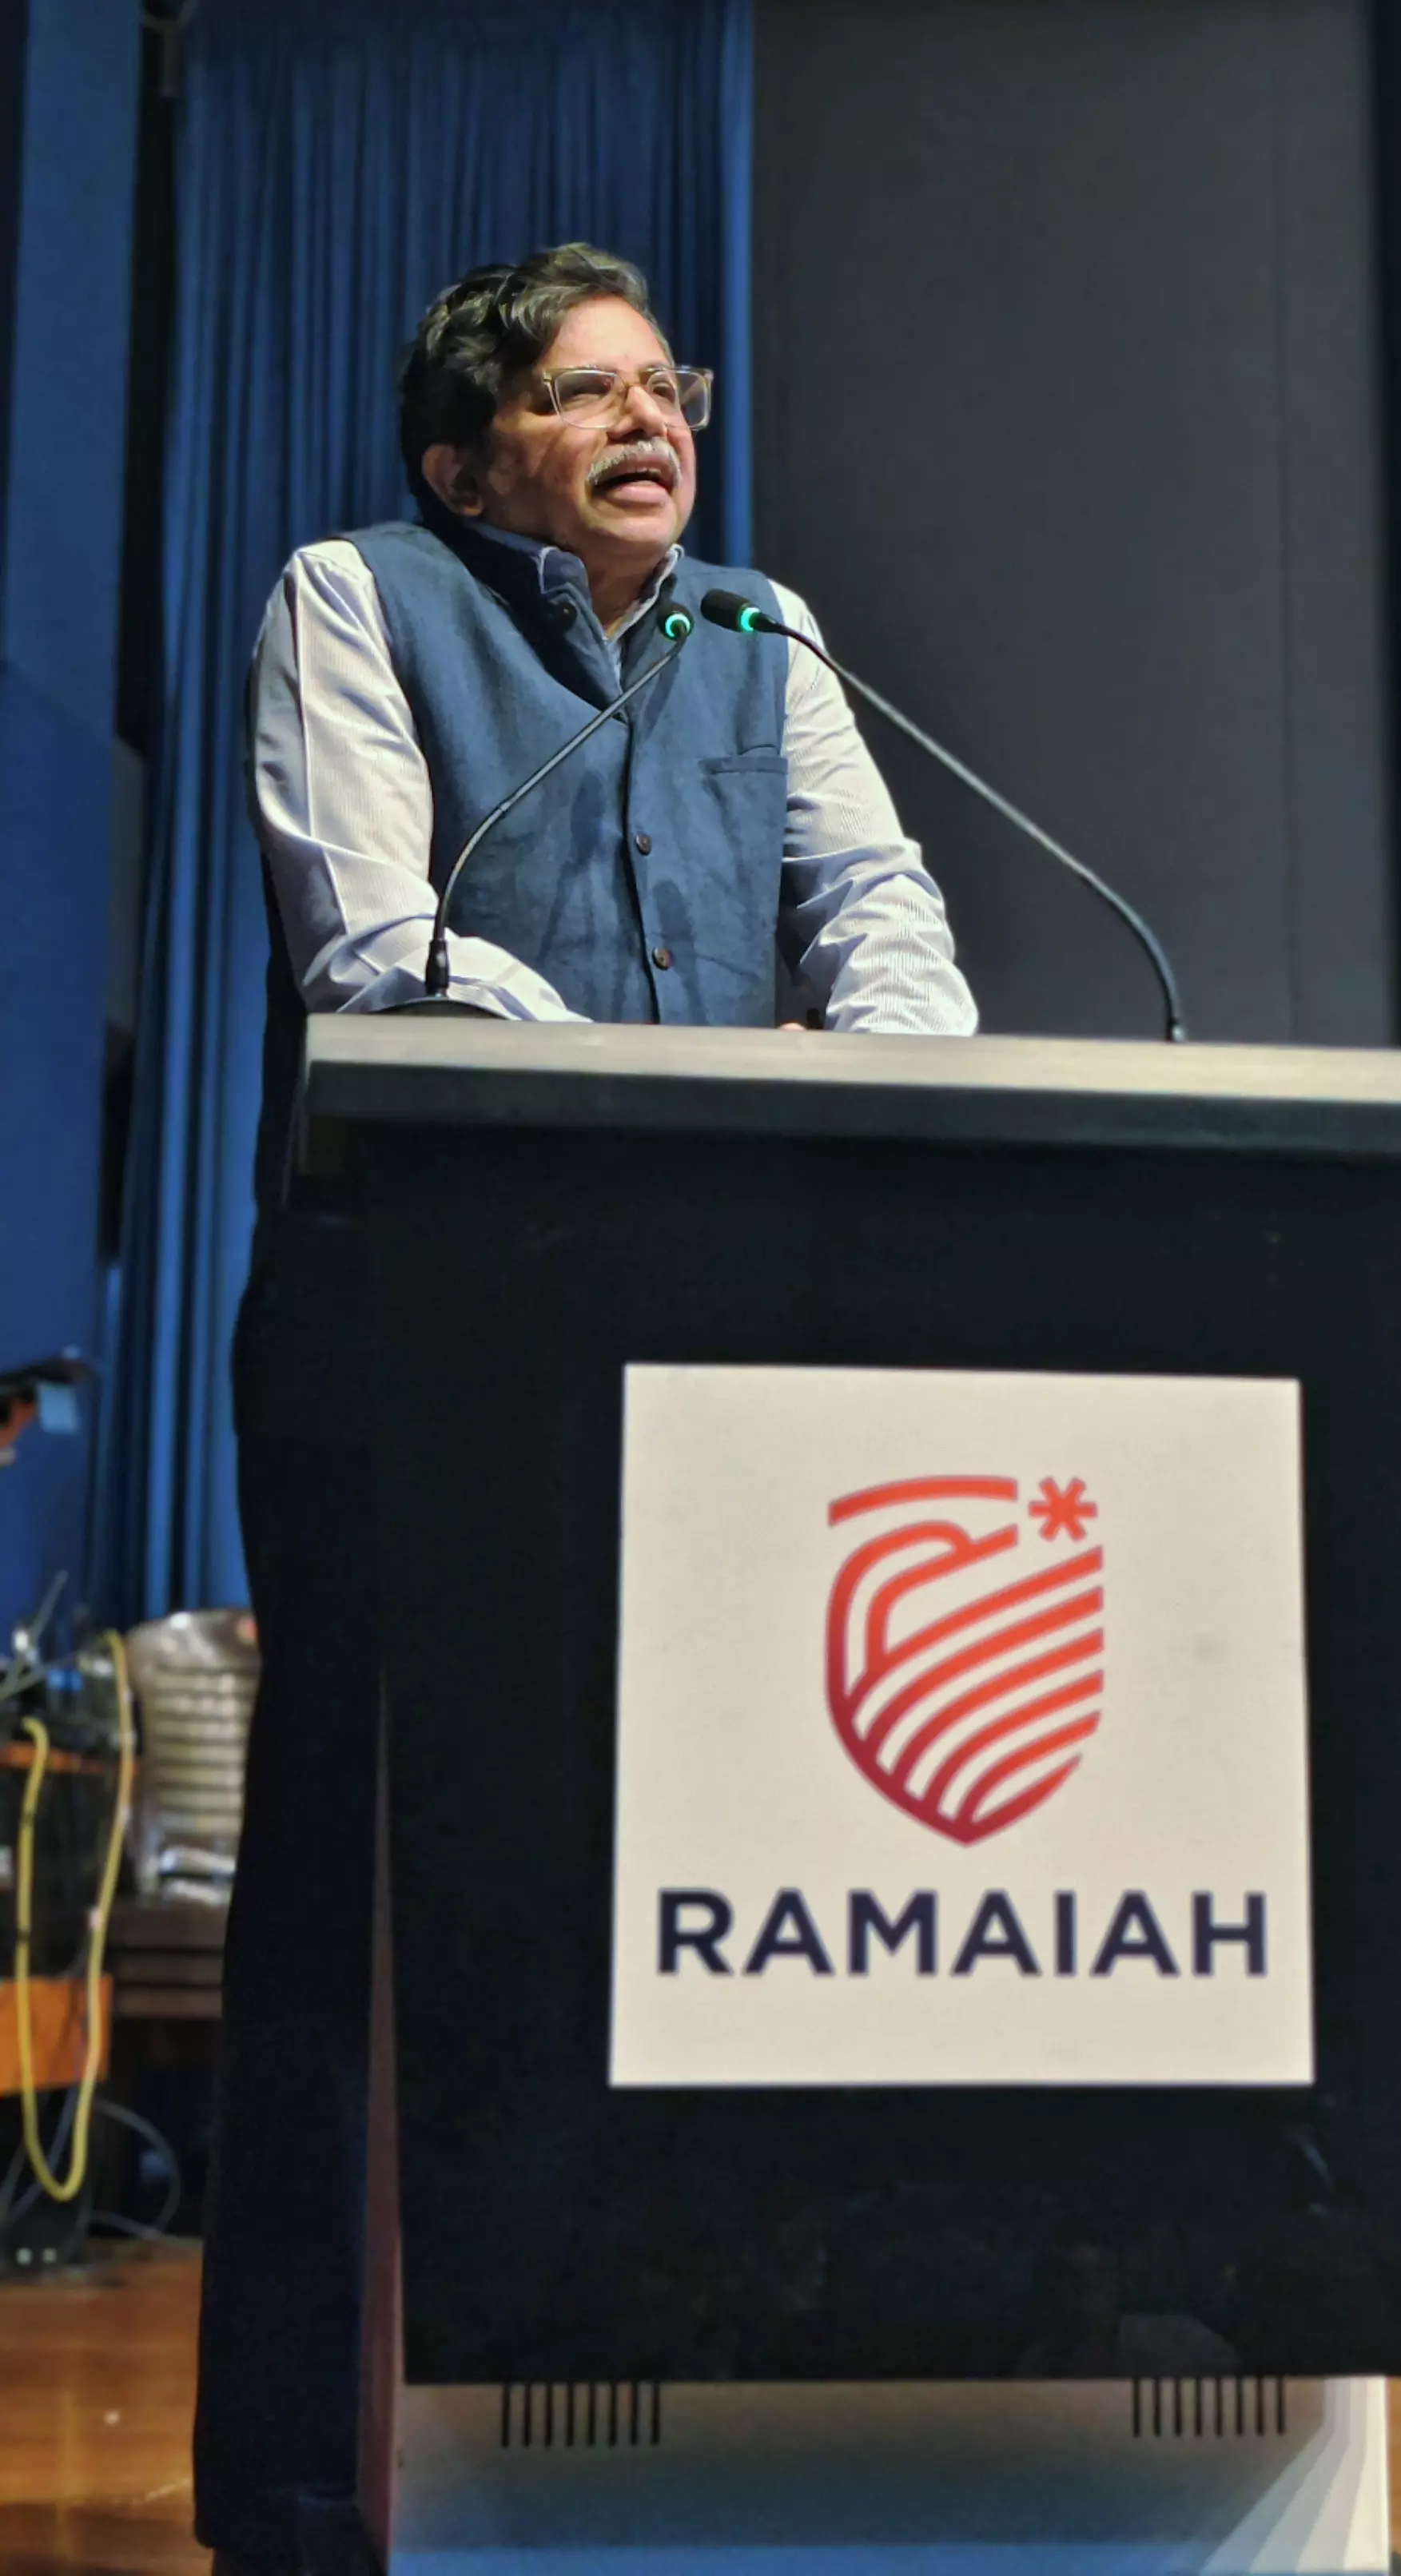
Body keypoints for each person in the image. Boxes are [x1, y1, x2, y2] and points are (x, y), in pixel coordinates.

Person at [198, 244, 975, 2574]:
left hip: (708, 1319)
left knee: (701, 1865)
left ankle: (679, 2457)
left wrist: (886, 1078)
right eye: (583, 393)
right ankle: (316, 2481)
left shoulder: (762, 629)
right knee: (372, 1880)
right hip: (410, 1317)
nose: (653, 423)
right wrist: (675, 1081)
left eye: (668, 386)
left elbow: (882, 913)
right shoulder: (357, 594)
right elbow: (380, 951)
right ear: (467, 462)